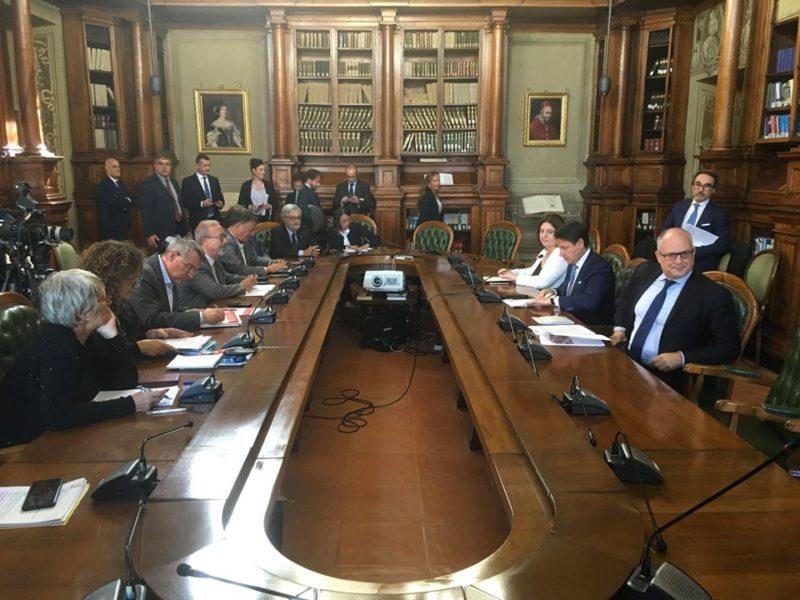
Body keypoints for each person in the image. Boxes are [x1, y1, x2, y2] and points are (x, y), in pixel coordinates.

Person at [0, 270, 163, 447]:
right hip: (28, 446)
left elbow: (124, 382)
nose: (109, 303)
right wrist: (130, 404)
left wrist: (112, 336)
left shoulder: (85, 336)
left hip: (60, 436)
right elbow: (58, 416)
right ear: (82, 312)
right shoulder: (57, 347)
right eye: (104, 299)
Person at [611, 228, 739, 391]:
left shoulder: (714, 295)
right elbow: (624, 301)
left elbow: (729, 347)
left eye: (685, 254)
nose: (679, 261)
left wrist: (682, 357)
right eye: (671, 255)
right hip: (626, 361)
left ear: (693, 254)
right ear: (658, 256)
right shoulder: (644, 272)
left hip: (668, 380)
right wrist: (619, 330)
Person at [80, 240, 189, 359]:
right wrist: (138, 348)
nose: (136, 285)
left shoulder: (119, 302)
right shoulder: (93, 308)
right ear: (115, 277)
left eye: (137, 280)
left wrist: (151, 334)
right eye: (131, 280)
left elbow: (128, 336)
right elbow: (108, 354)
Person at [128, 237, 224, 331]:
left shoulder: (171, 274)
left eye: (195, 271)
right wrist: (201, 317)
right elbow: (153, 319)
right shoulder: (145, 273)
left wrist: (189, 312)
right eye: (189, 267)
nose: (190, 276)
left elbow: (169, 311)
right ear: (172, 256)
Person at [532, 221, 615, 326]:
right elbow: (567, 289)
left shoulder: (599, 267)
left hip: (589, 326)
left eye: (564, 248)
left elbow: (589, 302)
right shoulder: (573, 261)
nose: (561, 254)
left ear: (580, 244)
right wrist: (552, 291)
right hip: (569, 320)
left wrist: (553, 301)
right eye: (559, 248)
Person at [660, 169, 730, 273]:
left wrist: (693, 252)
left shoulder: (718, 213)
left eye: (706, 186)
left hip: (699, 263)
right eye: (698, 184)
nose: (701, 189)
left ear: (713, 190)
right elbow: (665, 230)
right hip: (672, 258)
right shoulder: (679, 206)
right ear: (692, 186)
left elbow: (722, 244)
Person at [179, 220, 258, 309]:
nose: (226, 241)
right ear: (205, 241)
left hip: (215, 307)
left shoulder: (214, 258)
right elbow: (214, 291)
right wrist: (241, 286)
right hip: (195, 312)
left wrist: (247, 279)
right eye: (221, 237)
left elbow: (225, 277)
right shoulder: (196, 262)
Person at [497, 214, 568, 289]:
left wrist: (515, 277)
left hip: (546, 295)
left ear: (560, 233)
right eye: (542, 231)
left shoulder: (561, 255)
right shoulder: (544, 251)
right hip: (533, 291)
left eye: (550, 232)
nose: (544, 235)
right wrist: (512, 272)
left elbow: (543, 282)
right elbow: (532, 271)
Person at [137, 153, 187, 250]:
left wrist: (185, 228)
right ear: (155, 166)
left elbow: (179, 205)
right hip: (162, 231)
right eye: (160, 164)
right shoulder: (148, 184)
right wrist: (149, 233)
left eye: (167, 164)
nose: (164, 167)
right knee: (165, 256)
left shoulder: (174, 182)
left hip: (179, 228)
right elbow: (146, 210)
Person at [220, 206, 288, 277]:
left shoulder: (244, 239)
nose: (251, 234)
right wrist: (267, 269)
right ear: (238, 227)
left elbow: (252, 258)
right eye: (250, 230)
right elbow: (239, 269)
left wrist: (272, 262)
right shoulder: (226, 242)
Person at [182, 153, 225, 232]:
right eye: (205, 165)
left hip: (215, 220)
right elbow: (185, 202)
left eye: (209, 165)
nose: (208, 168)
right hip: (198, 221)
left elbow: (221, 198)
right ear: (198, 165)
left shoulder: (214, 180)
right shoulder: (188, 182)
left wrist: (220, 203)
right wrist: (201, 204)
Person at [97, 158, 133, 241]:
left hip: (124, 226)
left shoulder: (121, 183)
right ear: (107, 169)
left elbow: (131, 199)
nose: (118, 169)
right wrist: (126, 201)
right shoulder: (104, 185)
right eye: (114, 167)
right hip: (112, 228)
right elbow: (115, 204)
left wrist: (125, 201)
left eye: (118, 166)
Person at [237, 158, 279, 222]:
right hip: (250, 220)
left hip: (267, 220)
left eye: (264, 170)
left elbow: (275, 203)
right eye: (261, 170)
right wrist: (250, 207)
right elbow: (241, 204)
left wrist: (269, 206)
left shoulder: (268, 185)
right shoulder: (246, 186)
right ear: (253, 170)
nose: (263, 172)